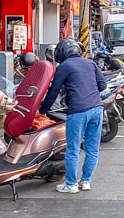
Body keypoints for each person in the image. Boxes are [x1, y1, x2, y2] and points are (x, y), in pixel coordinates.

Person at [41, 39, 105, 194]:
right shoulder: (90, 63)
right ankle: (86, 181)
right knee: (92, 149)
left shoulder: (64, 66)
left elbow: (53, 91)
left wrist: (43, 110)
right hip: (97, 109)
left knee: (73, 149)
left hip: (78, 111)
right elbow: (102, 85)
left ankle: (70, 184)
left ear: (62, 52)